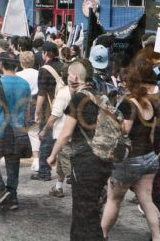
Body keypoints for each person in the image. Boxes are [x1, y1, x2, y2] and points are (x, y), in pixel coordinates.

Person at [47, 59, 113, 241]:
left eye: (68, 75)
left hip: (85, 161)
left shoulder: (78, 98)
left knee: (83, 212)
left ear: (75, 76)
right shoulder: (100, 95)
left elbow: (66, 132)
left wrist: (53, 154)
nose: (67, 78)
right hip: (103, 159)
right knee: (93, 208)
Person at [101, 55, 160, 241]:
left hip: (130, 159)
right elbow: (152, 134)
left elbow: (124, 133)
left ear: (127, 84)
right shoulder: (151, 103)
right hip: (150, 157)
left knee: (113, 199)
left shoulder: (128, 104)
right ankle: (157, 237)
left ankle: (100, 234)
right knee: (147, 200)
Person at [0, 51, 31, 210]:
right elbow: (28, 110)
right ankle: (13, 197)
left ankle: (0, 192)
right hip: (18, 132)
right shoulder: (24, 84)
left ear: (1, 65)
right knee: (13, 164)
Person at [32, 41, 65, 182]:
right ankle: (67, 174)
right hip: (65, 108)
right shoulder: (64, 66)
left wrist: (37, 112)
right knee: (64, 141)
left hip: (49, 109)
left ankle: (44, 172)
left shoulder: (44, 70)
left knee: (45, 140)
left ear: (45, 53)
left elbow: (42, 93)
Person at [16, 51, 40, 172]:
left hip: (23, 104)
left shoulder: (18, 75)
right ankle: (37, 159)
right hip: (38, 103)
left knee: (28, 132)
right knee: (35, 131)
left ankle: (35, 159)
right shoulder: (39, 73)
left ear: (21, 62)